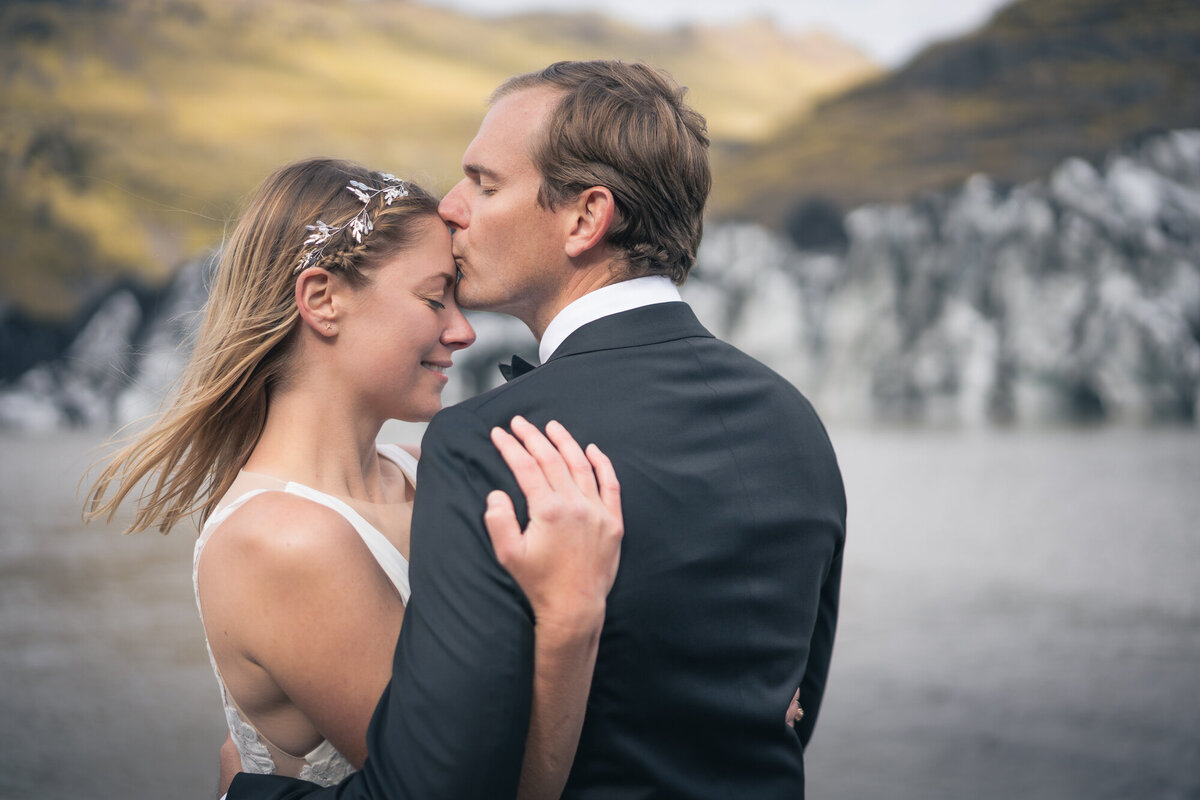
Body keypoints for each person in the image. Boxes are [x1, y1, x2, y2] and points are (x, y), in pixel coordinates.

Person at [229, 60, 846, 800]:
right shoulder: (796, 424)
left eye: (485, 183)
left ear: (586, 218)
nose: (450, 207)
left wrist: (245, 793)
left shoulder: (493, 448)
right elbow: (789, 716)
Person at [85, 157, 624, 800]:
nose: (463, 331)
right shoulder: (283, 541)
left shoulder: (424, 470)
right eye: (434, 298)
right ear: (322, 300)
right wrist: (569, 623)